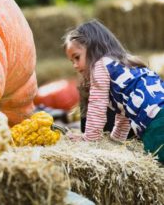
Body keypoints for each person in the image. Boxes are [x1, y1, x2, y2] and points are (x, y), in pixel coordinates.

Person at [63, 19, 164, 163]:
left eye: (77, 57)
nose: (74, 65)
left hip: (157, 123)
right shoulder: (124, 62)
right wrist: (115, 141)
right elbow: (125, 111)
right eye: (71, 61)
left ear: (92, 48)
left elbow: (97, 106)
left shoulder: (99, 66)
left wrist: (89, 139)